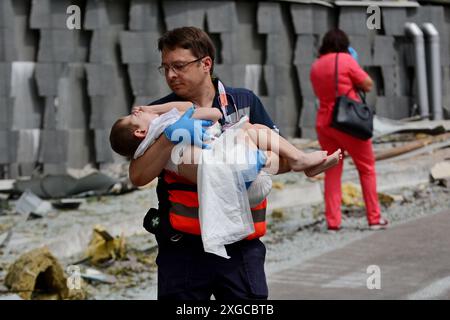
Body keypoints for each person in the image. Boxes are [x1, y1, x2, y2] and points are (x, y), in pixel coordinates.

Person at [310, 29, 388, 231]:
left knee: (332, 172)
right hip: (348, 122)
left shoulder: (316, 66)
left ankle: (333, 222)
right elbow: (368, 85)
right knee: (366, 169)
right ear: (344, 44)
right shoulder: (346, 60)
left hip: (324, 123)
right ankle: (374, 218)